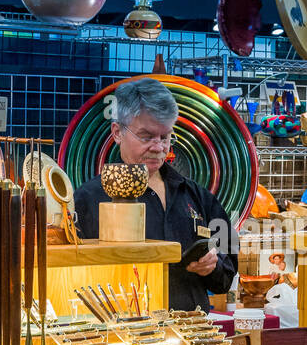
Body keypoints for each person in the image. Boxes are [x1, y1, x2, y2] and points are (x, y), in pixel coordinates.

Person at [74, 78, 238, 312]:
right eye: (146, 136)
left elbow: (227, 276)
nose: (158, 147)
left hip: (191, 336)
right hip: (122, 337)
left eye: (164, 137)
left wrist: (213, 265)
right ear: (118, 132)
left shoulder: (199, 197)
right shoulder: (88, 200)